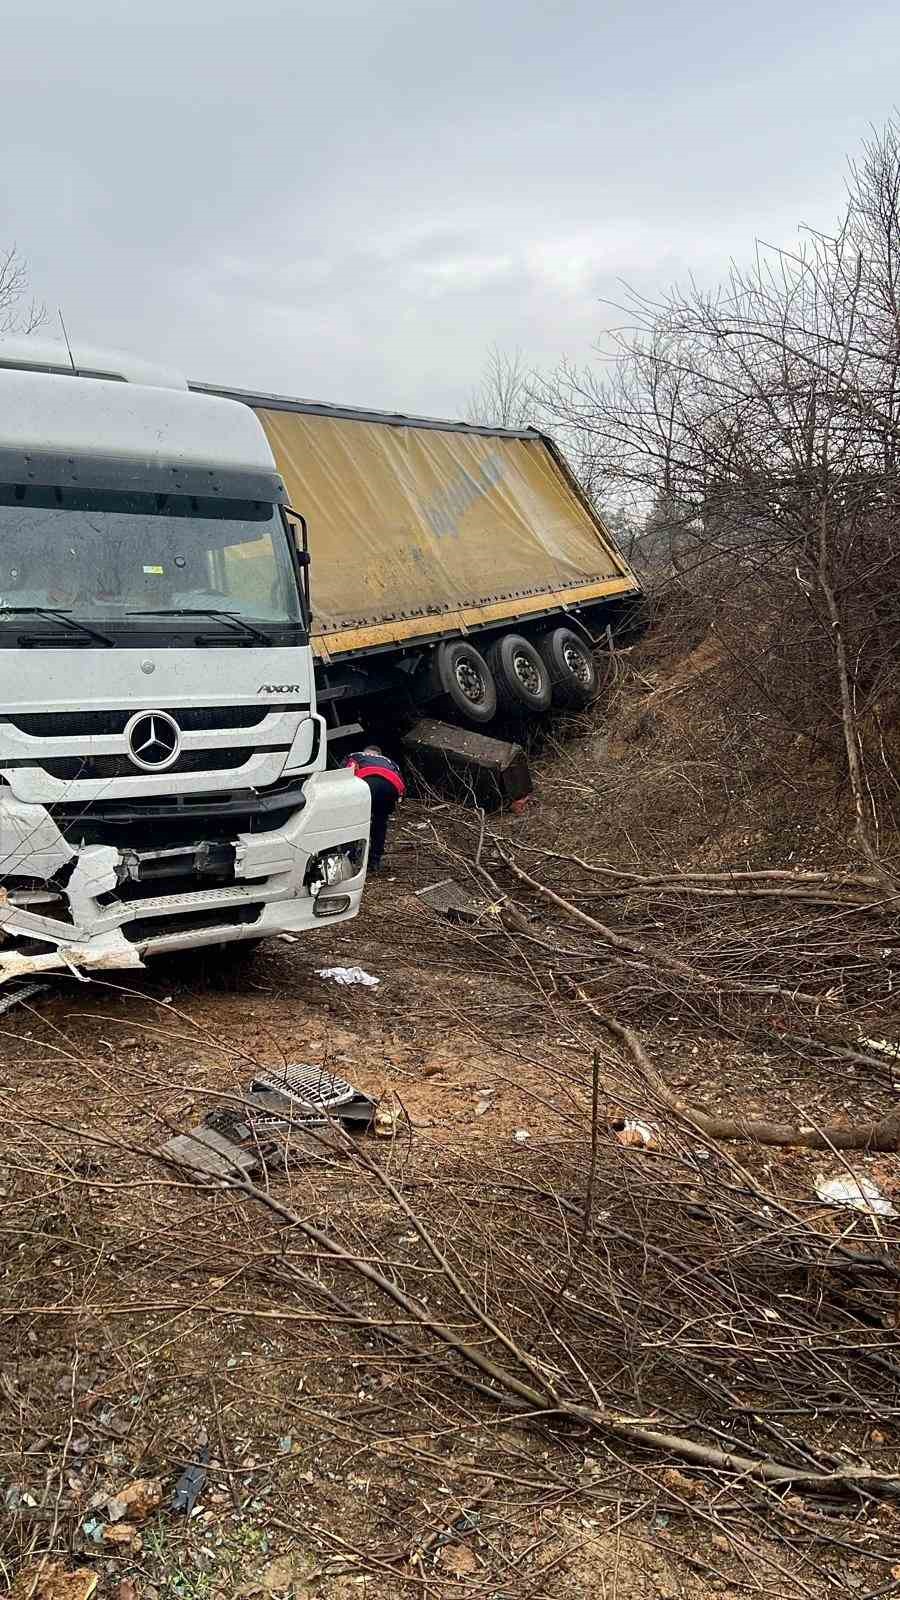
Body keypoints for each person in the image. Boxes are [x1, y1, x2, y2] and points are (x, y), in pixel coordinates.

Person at [343, 745, 406, 872]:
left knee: (353, 821)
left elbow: (344, 775)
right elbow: (401, 780)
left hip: (366, 782)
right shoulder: (389, 761)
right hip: (391, 785)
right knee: (380, 822)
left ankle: (350, 856)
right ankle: (375, 860)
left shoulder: (355, 755)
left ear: (366, 752)